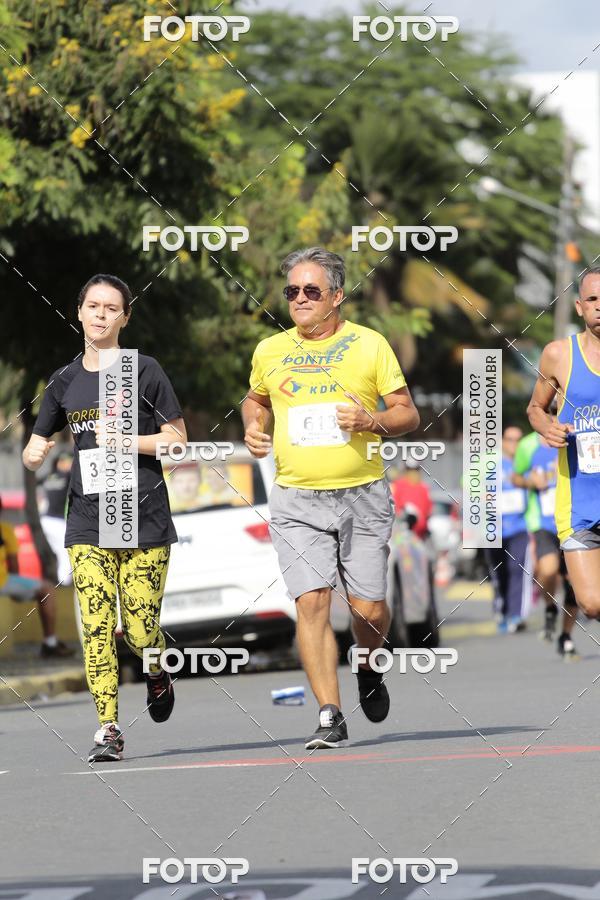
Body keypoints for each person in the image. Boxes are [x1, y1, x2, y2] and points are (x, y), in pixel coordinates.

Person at [243, 247, 419, 750]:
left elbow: (406, 413)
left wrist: (372, 421)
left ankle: (367, 665)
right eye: (292, 291)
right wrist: (255, 427)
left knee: (367, 610)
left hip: (362, 495)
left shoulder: (369, 345)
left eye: (311, 291)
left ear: (337, 296)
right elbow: (255, 400)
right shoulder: (269, 350)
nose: (299, 299)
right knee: (312, 603)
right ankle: (329, 714)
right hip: (296, 499)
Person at [23, 274, 186, 763]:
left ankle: (156, 670)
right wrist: (35, 451)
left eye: (111, 308)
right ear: (78, 313)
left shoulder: (145, 371)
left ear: (124, 317)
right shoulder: (64, 381)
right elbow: (37, 444)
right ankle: (108, 729)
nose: (100, 314)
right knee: (95, 625)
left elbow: (177, 440)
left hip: (143, 516)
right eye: (92, 306)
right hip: (88, 520)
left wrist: (130, 443)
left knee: (137, 630)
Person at [527, 266, 600, 624]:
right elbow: (535, 409)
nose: (599, 306)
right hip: (579, 502)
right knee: (592, 603)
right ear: (579, 307)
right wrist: (548, 426)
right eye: (592, 299)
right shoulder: (559, 354)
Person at [512, 430, 578, 657]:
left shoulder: (576, 433)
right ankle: (550, 608)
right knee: (548, 570)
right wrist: (530, 481)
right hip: (542, 522)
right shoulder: (528, 444)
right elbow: (515, 476)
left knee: (573, 583)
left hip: (573, 519)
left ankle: (566, 636)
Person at [0, 496, 73, 657]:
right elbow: (13, 566)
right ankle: (50, 643)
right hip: (2, 581)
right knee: (47, 588)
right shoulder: (4, 529)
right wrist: (16, 592)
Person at [485, 425, 533, 633]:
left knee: (518, 569)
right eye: (510, 439)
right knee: (499, 573)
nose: (514, 444)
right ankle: (501, 611)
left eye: (518, 439)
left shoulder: (526, 467)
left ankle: (516, 614)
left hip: (521, 527)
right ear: (503, 442)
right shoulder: (492, 467)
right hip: (495, 529)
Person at [40, 450, 73, 585]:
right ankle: (64, 584)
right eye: (67, 461)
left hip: (45, 520)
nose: (69, 464)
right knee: (65, 553)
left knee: (55, 554)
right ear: (59, 462)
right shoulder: (67, 476)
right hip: (58, 522)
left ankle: (55, 581)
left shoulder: (48, 477)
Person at [390, 457, 433, 540]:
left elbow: (428, 511)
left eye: (416, 470)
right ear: (405, 471)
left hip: (420, 535)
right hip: (402, 535)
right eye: (410, 470)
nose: (413, 473)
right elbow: (394, 508)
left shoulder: (424, 488)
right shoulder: (398, 486)